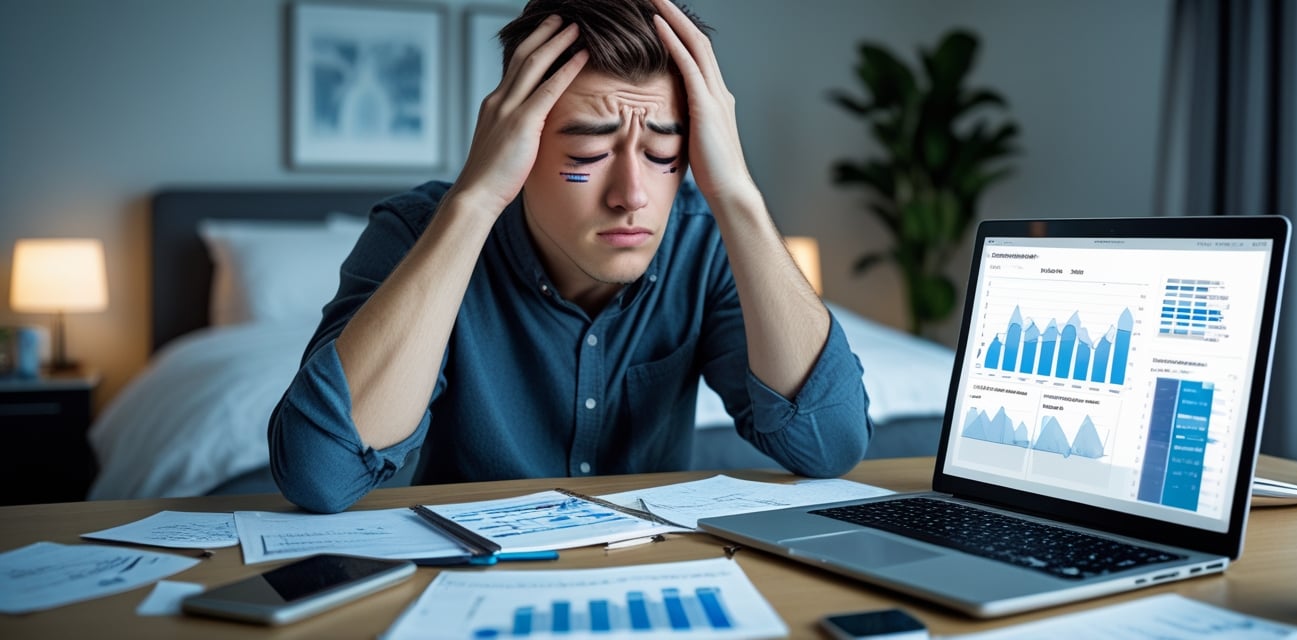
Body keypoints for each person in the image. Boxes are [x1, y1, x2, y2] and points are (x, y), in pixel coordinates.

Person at [268, 0, 873, 513]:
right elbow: (321, 475)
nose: (632, 195)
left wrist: (735, 193)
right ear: (517, 146)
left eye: (664, 153)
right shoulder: (417, 234)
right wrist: (475, 201)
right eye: (586, 156)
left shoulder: (704, 242)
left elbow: (830, 445)